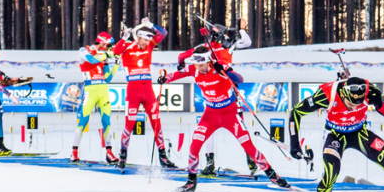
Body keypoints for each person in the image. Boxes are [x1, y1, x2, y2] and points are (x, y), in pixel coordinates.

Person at [160, 49, 288, 192]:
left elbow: (239, 79)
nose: (198, 68)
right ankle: (191, 182)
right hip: (210, 115)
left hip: (230, 114)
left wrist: (226, 72)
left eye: (201, 65)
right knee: (194, 146)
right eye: (196, 64)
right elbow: (175, 75)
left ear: (208, 62)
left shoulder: (219, 67)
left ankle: (273, 176)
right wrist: (164, 79)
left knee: (249, 147)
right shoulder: (193, 69)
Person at [179, 22, 257, 176]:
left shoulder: (223, 45)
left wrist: (180, 65)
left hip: (226, 88)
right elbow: (247, 42)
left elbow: (181, 56)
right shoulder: (220, 46)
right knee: (232, 125)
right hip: (220, 88)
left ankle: (248, 159)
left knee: (236, 125)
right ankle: (218, 162)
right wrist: (241, 29)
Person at [112, 18, 175, 169]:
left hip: (148, 91)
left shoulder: (150, 46)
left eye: (148, 40)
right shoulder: (127, 47)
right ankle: (122, 156)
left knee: (156, 123)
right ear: (138, 37)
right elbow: (115, 52)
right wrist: (124, 38)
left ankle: (163, 157)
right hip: (133, 92)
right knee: (129, 124)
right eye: (144, 40)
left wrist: (150, 25)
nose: (147, 43)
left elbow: (163, 34)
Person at [72, 32, 119, 164]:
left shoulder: (103, 56)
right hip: (90, 90)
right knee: (83, 120)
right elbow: (91, 60)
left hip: (103, 91)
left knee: (106, 122)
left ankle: (109, 152)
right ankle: (74, 151)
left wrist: (116, 65)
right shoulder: (84, 50)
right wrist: (106, 55)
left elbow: (108, 78)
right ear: (102, 42)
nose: (108, 47)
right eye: (107, 44)